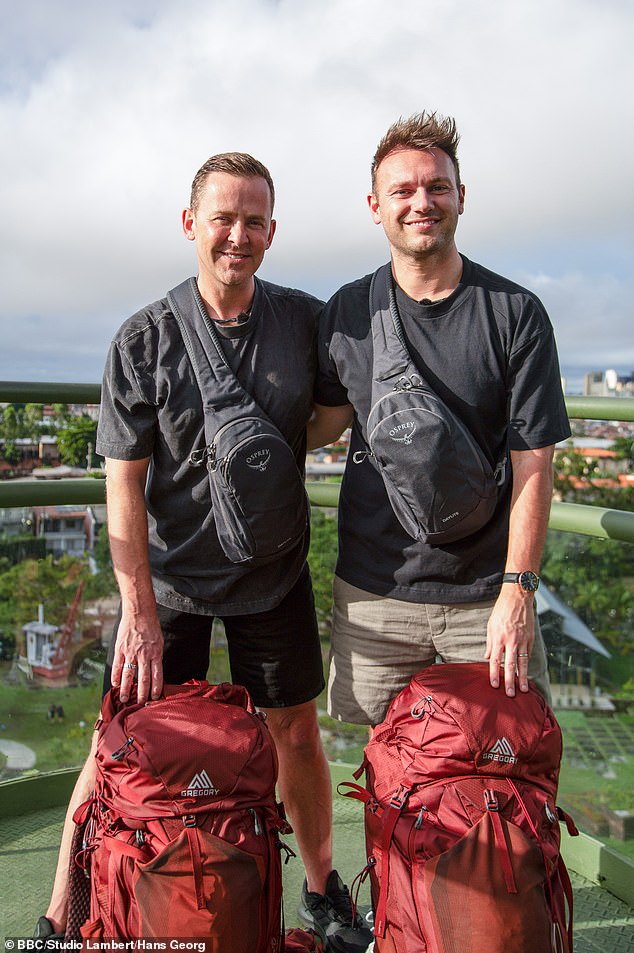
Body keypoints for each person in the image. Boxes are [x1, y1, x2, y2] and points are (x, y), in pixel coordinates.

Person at [38, 152, 372, 953]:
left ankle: (322, 887)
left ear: (273, 231)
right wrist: (139, 611)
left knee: (295, 732)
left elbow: (331, 415)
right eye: (223, 217)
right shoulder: (145, 339)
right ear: (190, 223)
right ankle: (62, 904)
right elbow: (123, 484)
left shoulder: (302, 321)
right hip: (172, 581)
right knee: (117, 734)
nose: (238, 234)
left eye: (254, 220)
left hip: (273, 569)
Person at [308, 112, 571, 728]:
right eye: (401, 190)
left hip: (486, 594)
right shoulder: (346, 312)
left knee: (509, 768)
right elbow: (322, 423)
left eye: (436, 187)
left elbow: (534, 463)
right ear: (375, 207)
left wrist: (519, 590)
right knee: (385, 774)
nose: (420, 203)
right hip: (374, 590)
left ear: (461, 197)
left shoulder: (515, 314)